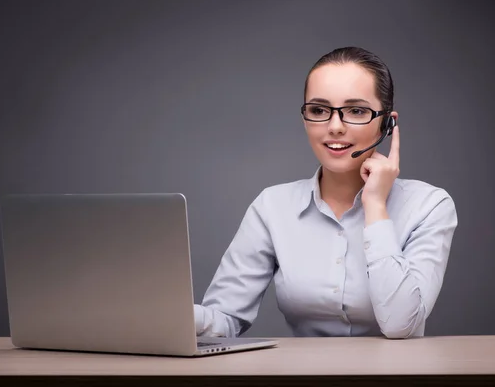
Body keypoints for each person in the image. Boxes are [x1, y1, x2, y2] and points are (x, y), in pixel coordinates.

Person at [194, 47, 458, 339]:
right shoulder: (272, 206)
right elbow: (224, 319)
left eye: (356, 111)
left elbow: (400, 325)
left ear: (387, 123)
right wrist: (157, 310)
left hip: (396, 382)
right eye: (319, 110)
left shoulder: (429, 205)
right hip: (305, 381)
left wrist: (375, 206)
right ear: (305, 118)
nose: (334, 127)